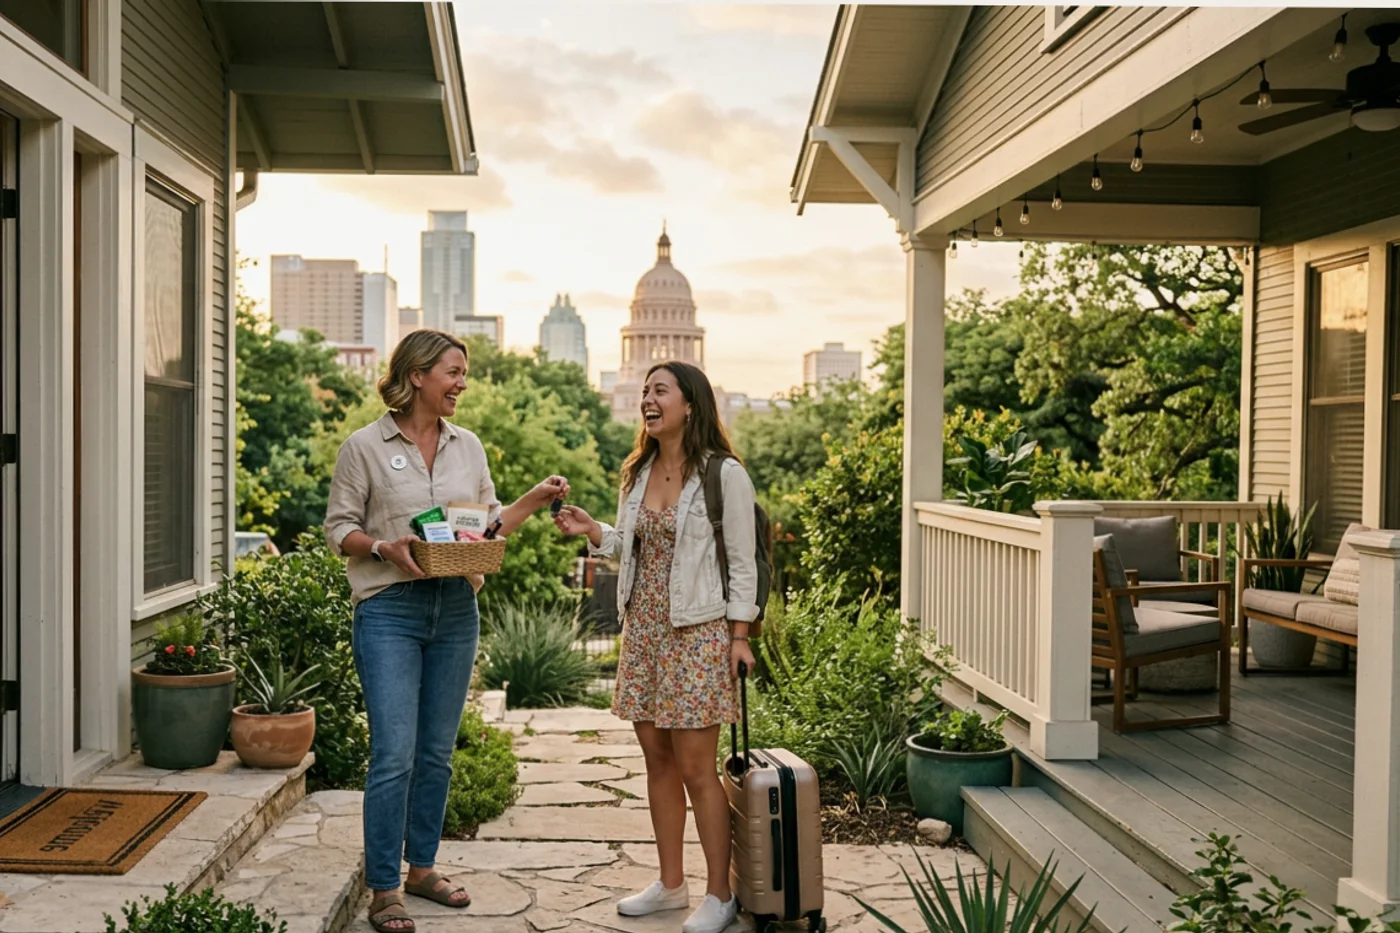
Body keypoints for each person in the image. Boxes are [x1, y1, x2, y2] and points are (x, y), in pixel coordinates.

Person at [324, 329, 568, 933]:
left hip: (456, 606)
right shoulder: (364, 447)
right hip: (389, 609)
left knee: (436, 753)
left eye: (463, 373)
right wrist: (384, 545)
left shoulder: (469, 447)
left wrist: (533, 501)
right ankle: (384, 887)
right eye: (453, 372)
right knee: (393, 755)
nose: (463, 383)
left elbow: (483, 527)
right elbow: (339, 530)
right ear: (417, 376)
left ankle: (423, 869)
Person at [554, 360, 759, 933]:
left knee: (698, 769)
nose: (648, 398)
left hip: (698, 632)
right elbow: (632, 546)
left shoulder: (724, 476)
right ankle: (672, 884)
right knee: (658, 763)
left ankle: (720, 894)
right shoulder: (637, 472)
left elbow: (741, 565)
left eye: (659, 390)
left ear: (689, 404)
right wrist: (595, 532)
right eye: (645, 390)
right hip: (644, 630)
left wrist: (740, 637)